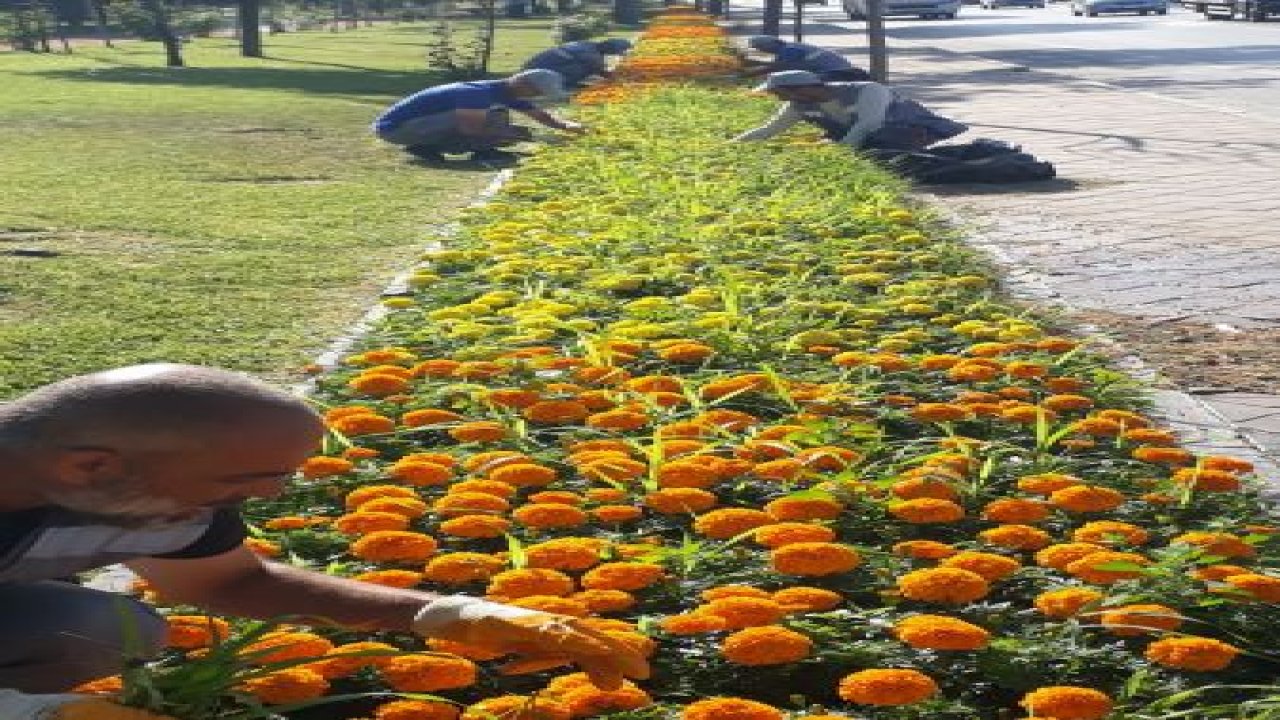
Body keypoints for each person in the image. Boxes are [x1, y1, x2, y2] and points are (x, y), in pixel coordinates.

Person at [0, 364, 649, 717]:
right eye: (246, 479)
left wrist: (447, 612)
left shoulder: (149, 498)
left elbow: (236, 582)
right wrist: (41, 713)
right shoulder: (133, 489)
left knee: (104, 627)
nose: (266, 496)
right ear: (90, 466)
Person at [372, 69, 586, 164]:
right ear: (523, 84)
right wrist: (528, 137)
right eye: (538, 93)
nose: (539, 98)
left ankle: (427, 147)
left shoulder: (506, 92)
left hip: (418, 127)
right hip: (396, 129)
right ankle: (482, 152)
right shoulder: (476, 93)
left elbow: (539, 115)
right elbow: (470, 130)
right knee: (494, 120)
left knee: (498, 119)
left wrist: (568, 127)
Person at [732, 70, 967, 151]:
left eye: (779, 92)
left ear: (800, 89)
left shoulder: (867, 90)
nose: (778, 98)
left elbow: (869, 124)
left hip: (913, 131)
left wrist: (843, 152)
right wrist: (732, 145)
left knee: (880, 137)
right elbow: (770, 129)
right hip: (870, 139)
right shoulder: (799, 104)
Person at [740, 35, 870, 82]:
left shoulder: (789, 50)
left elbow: (779, 67)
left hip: (837, 74)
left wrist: (746, 74)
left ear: (770, 45)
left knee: (796, 85)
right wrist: (750, 65)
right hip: (839, 70)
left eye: (760, 47)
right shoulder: (790, 47)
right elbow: (778, 66)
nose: (761, 50)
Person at [523, 38, 633, 88]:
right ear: (610, 49)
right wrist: (620, 79)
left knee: (584, 67)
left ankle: (565, 82)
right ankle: (566, 84)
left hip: (533, 67)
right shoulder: (592, 55)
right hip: (536, 72)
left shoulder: (587, 44)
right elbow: (600, 71)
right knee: (583, 69)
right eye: (614, 52)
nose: (613, 54)